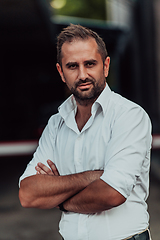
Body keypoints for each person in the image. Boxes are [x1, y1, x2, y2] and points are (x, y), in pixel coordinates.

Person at [19, 24, 152, 240]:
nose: (82, 75)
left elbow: (111, 193)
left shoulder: (129, 116)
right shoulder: (56, 125)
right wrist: (92, 177)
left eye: (90, 64)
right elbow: (28, 194)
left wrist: (59, 197)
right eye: (72, 66)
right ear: (61, 72)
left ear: (106, 66)